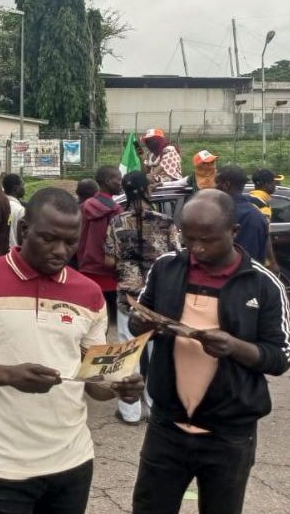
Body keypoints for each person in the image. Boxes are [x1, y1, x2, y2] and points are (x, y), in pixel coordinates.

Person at [0, 188, 144, 514]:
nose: (60, 251)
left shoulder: (90, 294)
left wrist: (120, 387)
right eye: (49, 239)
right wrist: (10, 375)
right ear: (24, 230)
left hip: (73, 461)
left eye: (71, 242)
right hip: (3, 464)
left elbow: (95, 382)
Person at [129, 189, 290, 514]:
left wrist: (234, 346)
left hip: (229, 434)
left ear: (233, 232)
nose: (198, 248)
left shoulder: (262, 284)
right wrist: (141, 323)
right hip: (167, 426)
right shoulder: (166, 268)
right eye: (189, 239)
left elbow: (282, 357)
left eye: (208, 240)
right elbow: (139, 322)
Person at [104, 171, 181, 425]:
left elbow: (108, 260)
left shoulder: (116, 222)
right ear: (146, 190)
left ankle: (130, 412)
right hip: (159, 296)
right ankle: (156, 405)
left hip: (129, 295)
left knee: (128, 352)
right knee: (157, 350)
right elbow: (176, 256)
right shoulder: (166, 221)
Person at [77, 165, 124, 322]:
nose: (121, 182)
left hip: (86, 270)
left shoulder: (84, 207)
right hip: (109, 273)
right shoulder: (116, 211)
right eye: (118, 179)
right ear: (108, 181)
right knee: (112, 325)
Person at [216, 165, 269, 263]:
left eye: (216, 182)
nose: (214, 187)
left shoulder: (229, 212)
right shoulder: (255, 212)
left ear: (226, 185)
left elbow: (246, 258)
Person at [2, 173, 26, 248]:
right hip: (13, 253)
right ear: (16, 188)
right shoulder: (19, 210)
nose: (24, 188)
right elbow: (22, 238)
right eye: (22, 185)